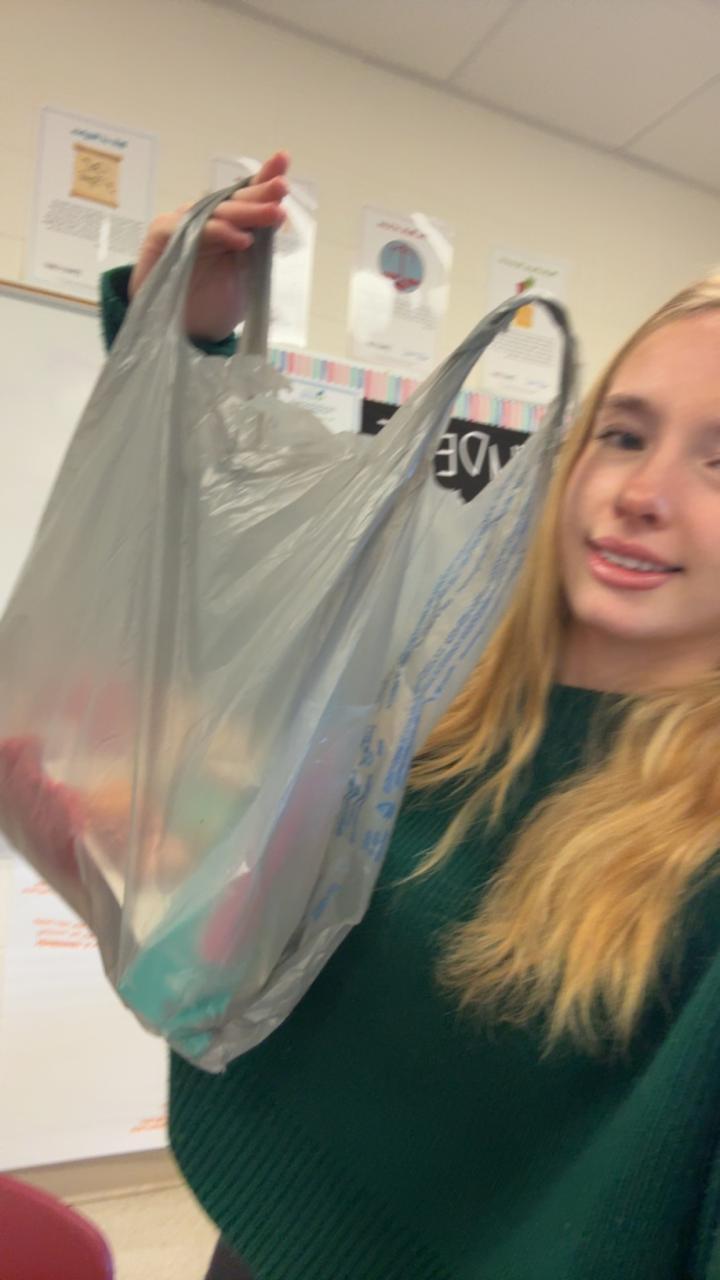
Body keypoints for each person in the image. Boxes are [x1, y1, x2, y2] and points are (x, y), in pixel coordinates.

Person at [100, 152, 720, 1280]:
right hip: (260, 1219)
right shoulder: (441, 669)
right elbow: (226, 565)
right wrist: (177, 341)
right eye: (625, 435)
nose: (643, 493)